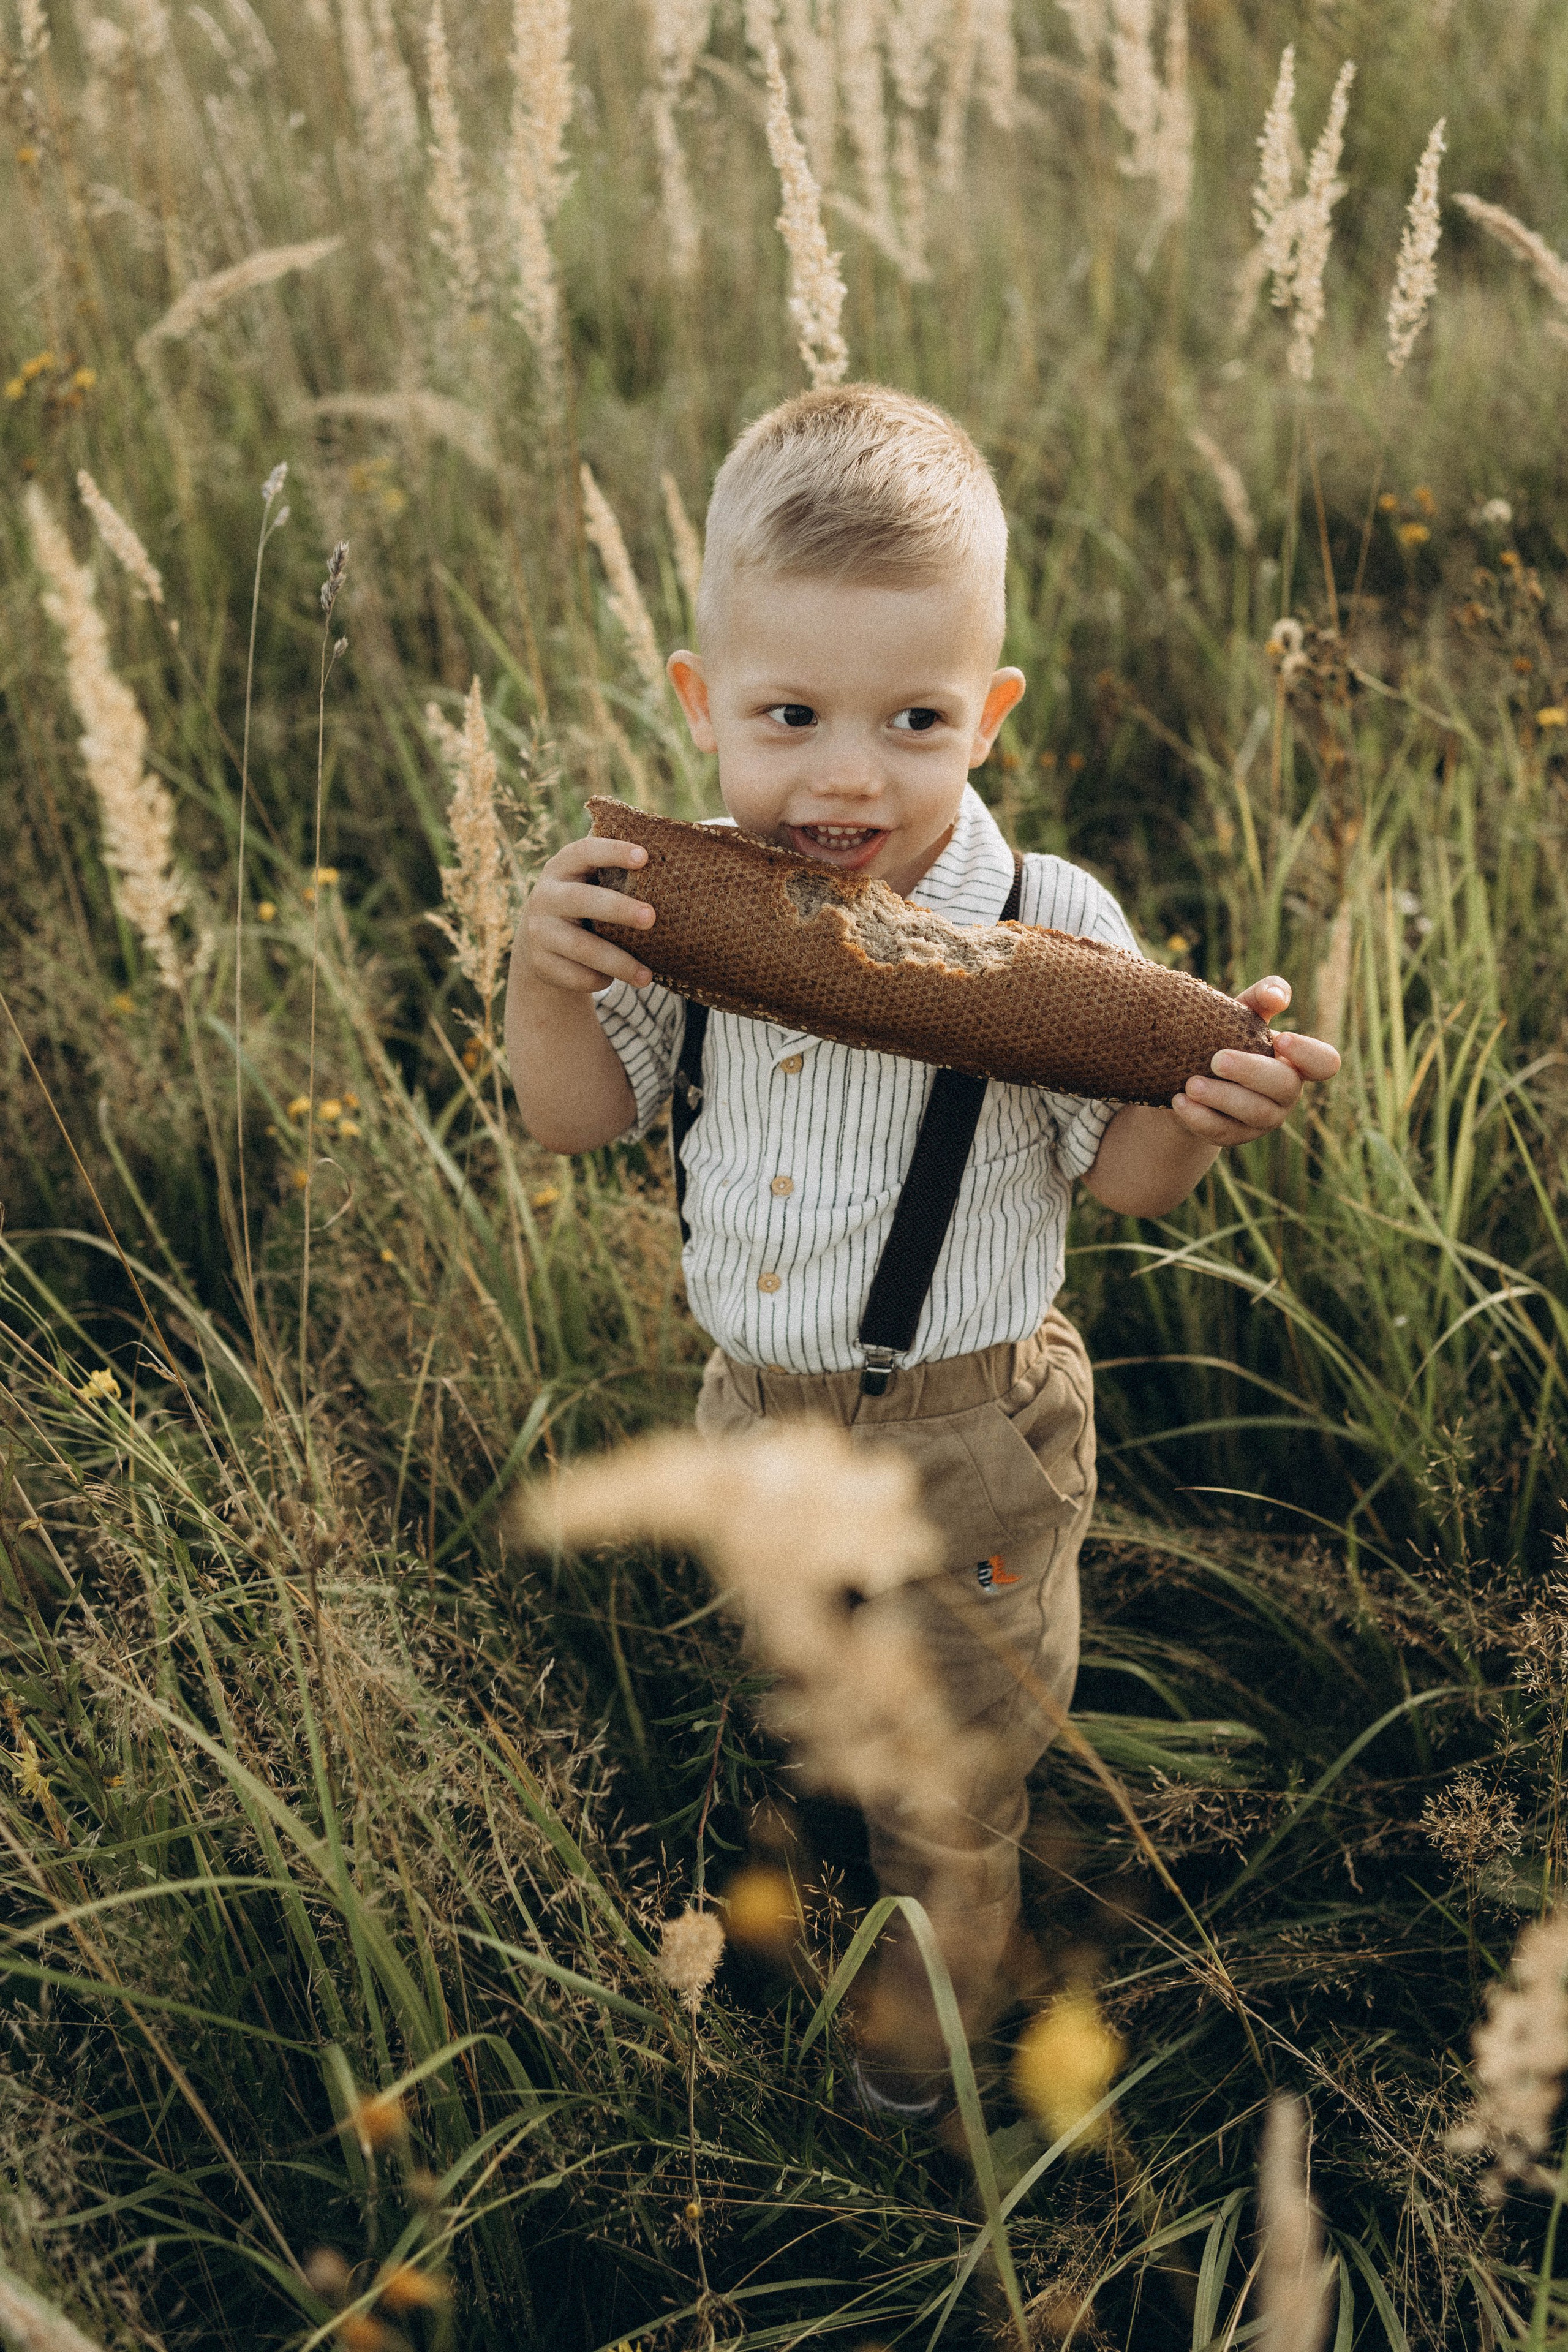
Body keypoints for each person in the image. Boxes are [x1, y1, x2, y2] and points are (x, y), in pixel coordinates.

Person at [505, 384, 1340, 2115]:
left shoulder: (1053, 925)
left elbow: (1124, 1183)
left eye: (914, 719)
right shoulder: (675, 917)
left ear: (990, 714)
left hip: (968, 1438)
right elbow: (577, 1121)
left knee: (955, 1760)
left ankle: (940, 1984)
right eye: (789, 713)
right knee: (811, 1683)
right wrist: (544, 980)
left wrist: (1196, 1106)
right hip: (760, 1413)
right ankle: (828, 1823)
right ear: (703, 703)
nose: (844, 774)